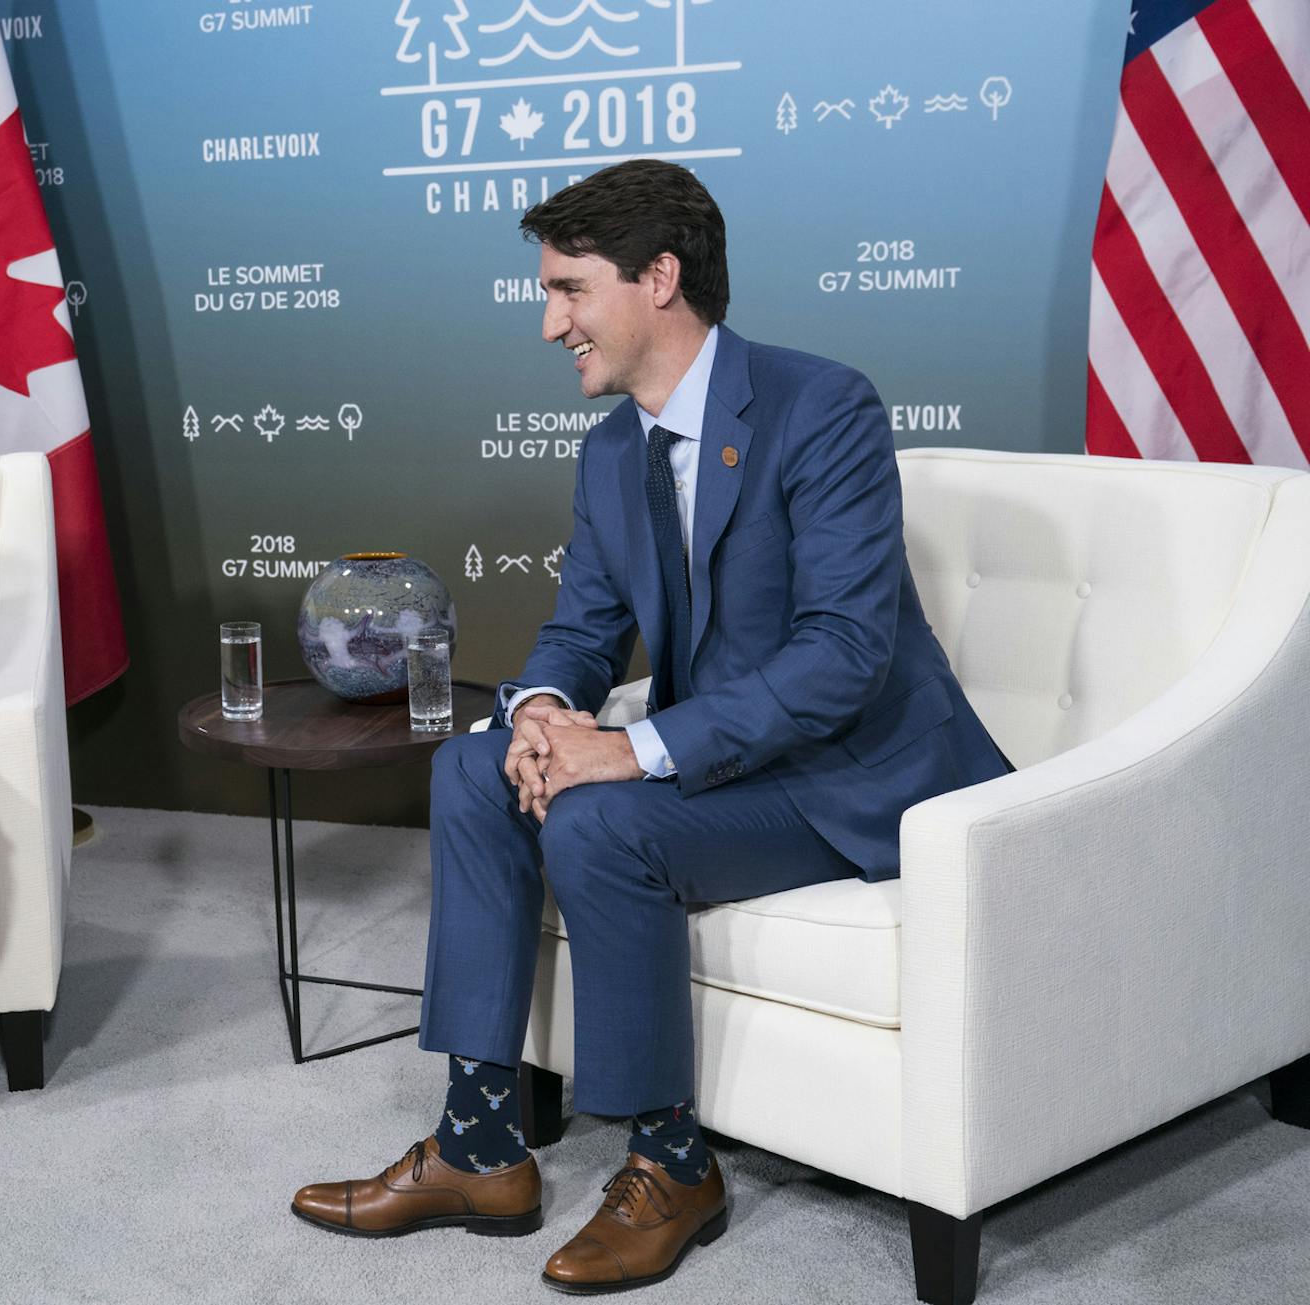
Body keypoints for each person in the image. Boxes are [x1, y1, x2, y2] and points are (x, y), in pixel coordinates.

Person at [290, 161, 1011, 1292]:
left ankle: (674, 1164)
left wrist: (625, 751)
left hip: (850, 772)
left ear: (659, 279)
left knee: (601, 827)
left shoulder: (822, 407)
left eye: (570, 290)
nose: (548, 323)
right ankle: (482, 1146)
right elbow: (585, 629)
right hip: (724, 760)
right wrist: (536, 713)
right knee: (476, 774)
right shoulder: (612, 450)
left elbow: (843, 656)